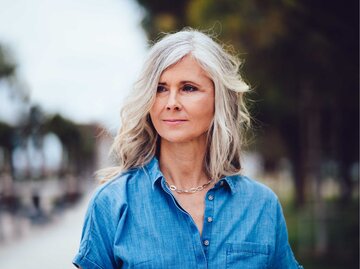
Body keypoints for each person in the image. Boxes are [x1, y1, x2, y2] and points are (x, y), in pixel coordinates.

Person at [73, 28, 303, 269]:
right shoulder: (112, 203)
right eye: (160, 88)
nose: (171, 103)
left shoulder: (261, 205)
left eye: (188, 88)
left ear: (219, 99)